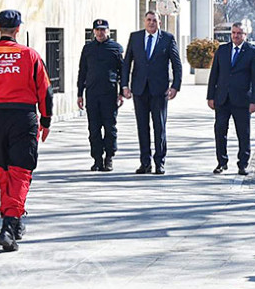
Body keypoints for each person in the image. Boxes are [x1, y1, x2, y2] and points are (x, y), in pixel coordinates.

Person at [0, 10, 53, 252]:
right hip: (23, 117)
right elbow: (45, 91)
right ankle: (9, 224)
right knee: (21, 172)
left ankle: (13, 223)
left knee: (4, 170)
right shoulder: (30, 55)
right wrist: (45, 121)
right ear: (18, 29)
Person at [121, 11, 182, 175]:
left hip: (159, 90)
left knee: (159, 127)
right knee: (142, 127)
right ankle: (145, 163)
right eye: (148, 20)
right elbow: (126, 63)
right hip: (139, 90)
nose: (151, 23)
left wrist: (175, 86)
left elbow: (176, 64)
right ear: (144, 21)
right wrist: (124, 86)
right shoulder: (135, 37)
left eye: (154, 20)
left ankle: (159, 162)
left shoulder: (168, 39)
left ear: (159, 22)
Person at [207, 22, 255, 176]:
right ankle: (221, 162)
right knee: (220, 131)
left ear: (245, 35)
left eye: (239, 33)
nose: (236, 36)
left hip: (242, 100)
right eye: (234, 33)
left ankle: (243, 164)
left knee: (243, 133)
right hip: (222, 99)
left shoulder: (251, 52)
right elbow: (214, 74)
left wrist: (254, 101)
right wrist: (210, 96)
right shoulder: (222, 50)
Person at [77, 19, 124, 172]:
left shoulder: (115, 48)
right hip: (91, 93)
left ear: (108, 31)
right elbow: (82, 72)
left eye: (103, 30)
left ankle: (109, 157)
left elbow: (122, 72)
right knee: (94, 128)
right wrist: (79, 94)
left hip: (109, 93)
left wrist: (122, 93)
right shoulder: (88, 48)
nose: (100, 32)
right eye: (97, 30)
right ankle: (97, 159)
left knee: (110, 127)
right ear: (93, 31)